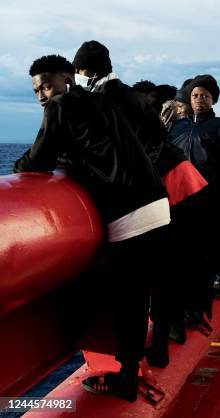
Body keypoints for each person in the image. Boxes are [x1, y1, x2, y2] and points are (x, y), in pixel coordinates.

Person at [14, 55, 170, 402]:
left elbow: (37, 159)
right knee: (149, 288)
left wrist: (21, 164)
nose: (42, 95)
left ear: (68, 79)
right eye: (37, 89)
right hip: (157, 201)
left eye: (47, 84)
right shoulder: (101, 102)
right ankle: (159, 349)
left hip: (129, 212)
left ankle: (127, 379)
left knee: (128, 301)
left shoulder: (60, 107)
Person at [73, 41, 209, 355]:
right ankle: (168, 332)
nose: (77, 77)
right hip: (184, 182)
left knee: (160, 268)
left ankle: (159, 341)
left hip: (169, 185)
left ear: (90, 71)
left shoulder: (108, 100)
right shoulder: (127, 96)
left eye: (80, 70)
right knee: (172, 265)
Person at [171, 75, 220, 296]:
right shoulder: (178, 126)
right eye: (195, 95)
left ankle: (217, 278)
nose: (199, 99)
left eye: (204, 96)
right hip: (182, 195)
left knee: (213, 238)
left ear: (213, 100)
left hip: (211, 194)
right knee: (187, 241)